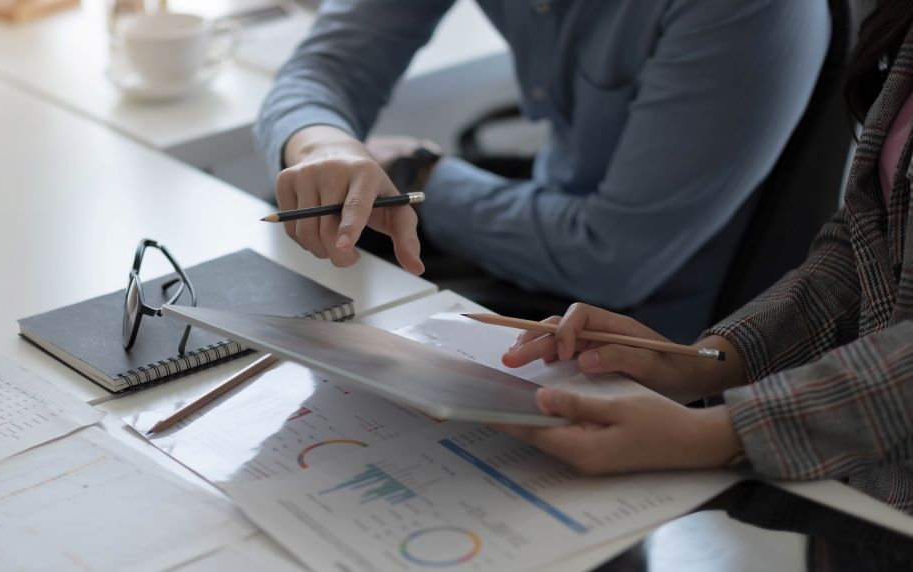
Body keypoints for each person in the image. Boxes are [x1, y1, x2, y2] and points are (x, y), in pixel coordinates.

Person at [495, 1, 913, 512]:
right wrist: (703, 364)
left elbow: (609, 253)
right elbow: (865, 246)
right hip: (867, 498)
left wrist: (725, 432)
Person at [254, 0, 831, 341]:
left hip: (645, 314)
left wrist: (418, 173)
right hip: (548, 224)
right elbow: (324, 69)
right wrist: (322, 147)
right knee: (301, 263)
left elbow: (613, 258)